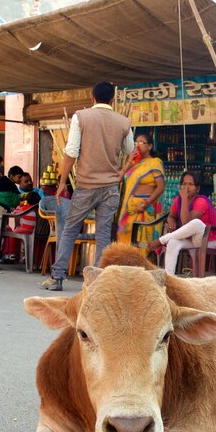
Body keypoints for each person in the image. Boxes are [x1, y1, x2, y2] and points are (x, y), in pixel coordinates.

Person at [42, 81, 134, 291]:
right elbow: (129, 149)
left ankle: (57, 277)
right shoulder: (123, 122)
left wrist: (62, 181)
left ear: (92, 98)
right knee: (103, 234)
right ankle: (97, 282)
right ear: (112, 100)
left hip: (85, 185)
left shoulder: (81, 117)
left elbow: (72, 151)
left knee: (70, 230)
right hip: (110, 187)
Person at [147, 170, 216, 276]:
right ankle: (169, 278)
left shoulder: (202, 201)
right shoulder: (178, 200)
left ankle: (162, 240)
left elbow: (186, 222)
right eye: (184, 184)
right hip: (190, 239)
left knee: (196, 222)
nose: (187, 187)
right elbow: (171, 216)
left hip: (205, 239)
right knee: (173, 242)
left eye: (190, 184)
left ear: (198, 189)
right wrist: (171, 221)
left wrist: (184, 199)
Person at [117, 132, 165, 246]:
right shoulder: (134, 164)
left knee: (141, 243)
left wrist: (145, 203)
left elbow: (161, 187)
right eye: (136, 142)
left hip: (144, 208)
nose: (137, 145)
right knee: (124, 242)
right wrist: (129, 161)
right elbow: (118, 179)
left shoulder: (155, 163)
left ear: (150, 146)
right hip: (131, 208)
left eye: (141, 142)